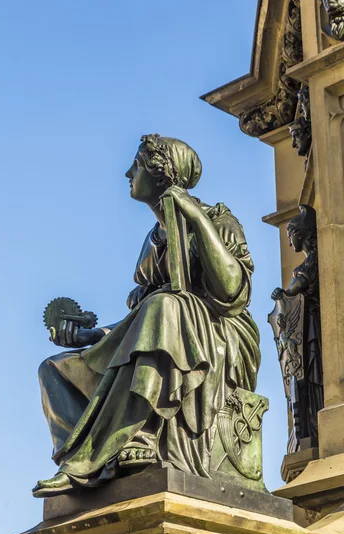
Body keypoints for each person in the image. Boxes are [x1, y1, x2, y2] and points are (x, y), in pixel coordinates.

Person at [33, 134, 261, 497]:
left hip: (217, 333)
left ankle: (136, 435)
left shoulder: (220, 220)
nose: (128, 172)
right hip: (166, 328)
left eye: (136, 165)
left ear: (161, 174)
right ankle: (85, 458)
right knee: (53, 370)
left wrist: (195, 218)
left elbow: (232, 292)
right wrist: (97, 336)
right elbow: (142, 319)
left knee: (164, 307)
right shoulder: (154, 239)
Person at [271, 205, 323, 440]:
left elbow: (293, 291)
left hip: (312, 330)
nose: (289, 242)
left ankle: (316, 420)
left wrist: (282, 294)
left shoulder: (309, 264)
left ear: (300, 234)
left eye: (290, 234)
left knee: (314, 377)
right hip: (309, 329)